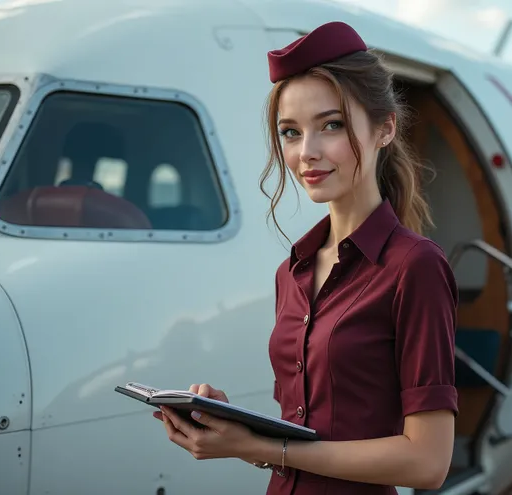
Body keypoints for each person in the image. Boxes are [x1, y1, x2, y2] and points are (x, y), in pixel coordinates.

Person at [154, 21, 460, 494]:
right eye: (290, 133)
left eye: (330, 126)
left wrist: (258, 449)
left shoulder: (414, 266)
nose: (306, 154)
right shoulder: (292, 271)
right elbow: (309, 428)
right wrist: (230, 427)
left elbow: (427, 462)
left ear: (385, 128)